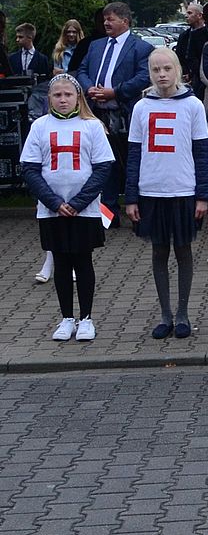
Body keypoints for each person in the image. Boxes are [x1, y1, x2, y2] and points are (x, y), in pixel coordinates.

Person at [20, 73, 114, 343]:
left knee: (83, 261)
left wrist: (77, 202)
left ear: (78, 97)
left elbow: (102, 167)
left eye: (68, 95)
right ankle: (66, 318)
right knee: (60, 262)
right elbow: (30, 168)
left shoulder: (92, 126)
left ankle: (86, 318)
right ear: (49, 98)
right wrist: (54, 202)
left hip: (84, 209)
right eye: (57, 95)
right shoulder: (40, 126)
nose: (63, 100)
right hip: (51, 209)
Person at [125, 48, 208, 339]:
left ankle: (183, 314)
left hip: (183, 190)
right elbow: (134, 154)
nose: (161, 75)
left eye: (166, 69)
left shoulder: (193, 106)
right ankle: (165, 314)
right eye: (155, 70)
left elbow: (202, 153)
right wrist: (131, 197)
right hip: (151, 191)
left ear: (178, 70)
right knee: (159, 250)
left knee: (183, 249)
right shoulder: (141, 108)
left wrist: (203, 195)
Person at [76, 2, 154, 220]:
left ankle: (137, 212)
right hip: (96, 114)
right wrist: (88, 87)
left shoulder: (141, 47)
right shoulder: (95, 46)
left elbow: (143, 77)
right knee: (103, 164)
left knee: (131, 163)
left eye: (110, 19)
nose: (106, 23)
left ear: (125, 21)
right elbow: (81, 69)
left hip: (125, 115)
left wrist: (115, 92)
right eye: (105, 19)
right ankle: (108, 215)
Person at [11, 22, 53, 118]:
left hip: (36, 100)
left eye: (20, 37)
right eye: (17, 37)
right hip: (17, 99)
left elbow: (45, 81)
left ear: (30, 37)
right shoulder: (12, 58)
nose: (17, 40)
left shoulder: (42, 59)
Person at [173, 3, 208, 98]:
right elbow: (179, 56)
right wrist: (184, 72)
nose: (186, 16)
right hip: (187, 79)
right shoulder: (184, 36)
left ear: (200, 15)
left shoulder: (207, 35)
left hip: (203, 78)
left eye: (189, 13)